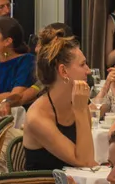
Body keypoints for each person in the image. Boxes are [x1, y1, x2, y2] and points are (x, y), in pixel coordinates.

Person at [20, 31, 95, 170]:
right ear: (63, 71)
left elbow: (88, 159)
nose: (88, 70)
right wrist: (81, 110)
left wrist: (81, 108)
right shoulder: (37, 117)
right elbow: (85, 161)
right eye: (82, 64)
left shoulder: (77, 102)